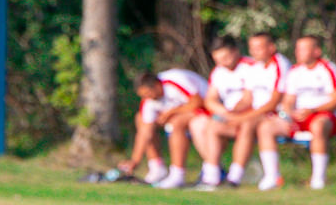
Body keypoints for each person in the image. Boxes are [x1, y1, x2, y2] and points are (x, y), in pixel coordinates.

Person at [255, 35, 336, 190]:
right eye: (297, 48)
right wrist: (289, 112)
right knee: (266, 127)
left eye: (303, 48)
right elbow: (288, 100)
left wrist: (313, 110)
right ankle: (272, 177)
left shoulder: (328, 69)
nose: (298, 52)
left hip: (323, 115)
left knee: (318, 126)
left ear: (316, 51)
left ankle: (318, 178)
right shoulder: (295, 71)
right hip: (299, 117)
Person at [118, 68, 209, 188]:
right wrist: (135, 160)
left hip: (206, 107)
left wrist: (171, 112)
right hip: (183, 112)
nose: (147, 98)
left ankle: (178, 174)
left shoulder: (174, 82)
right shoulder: (148, 100)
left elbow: (197, 102)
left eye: (147, 94)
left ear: (156, 85)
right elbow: (145, 131)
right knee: (141, 118)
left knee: (176, 123)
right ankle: (157, 168)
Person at [194, 35, 256, 189]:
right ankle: (213, 175)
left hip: (251, 115)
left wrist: (233, 114)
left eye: (225, 57)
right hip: (230, 116)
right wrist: (224, 113)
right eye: (218, 59)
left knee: (245, 126)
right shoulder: (218, 72)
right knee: (210, 127)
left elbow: (248, 99)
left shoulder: (251, 67)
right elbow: (210, 100)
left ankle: (235, 177)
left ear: (235, 52)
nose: (222, 62)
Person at [236, 32, 292, 190]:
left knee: (252, 125)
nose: (254, 52)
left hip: (279, 116)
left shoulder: (281, 65)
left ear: (271, 47)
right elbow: (246, 99)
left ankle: (239, 176)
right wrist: (230, 114)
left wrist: (244, 117)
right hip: (258, 114)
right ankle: (214, 174)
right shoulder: (254, 67)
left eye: (259, 47)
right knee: (215, 126)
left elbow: (274, 103)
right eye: (252, 48)